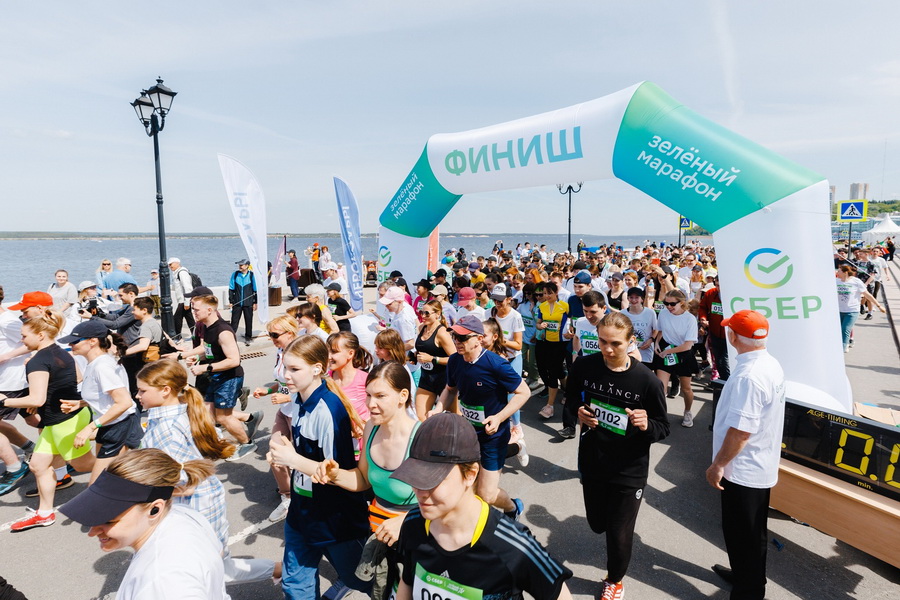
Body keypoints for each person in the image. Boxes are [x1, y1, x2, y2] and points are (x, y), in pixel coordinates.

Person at [391, 412, 574, 600]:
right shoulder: (413, 523)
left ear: (470, 474)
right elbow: (408, 581)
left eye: (433, 480)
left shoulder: (514, 546)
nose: (420, 491)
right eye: (415, 476)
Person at [136, 360, 278, 585]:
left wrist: (140, 489)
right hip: (203, 501)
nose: (137, 396)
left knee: (205, 573)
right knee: (216, 569)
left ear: (165, 390)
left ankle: (288, 572)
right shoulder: (183, 412)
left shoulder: (166, 428)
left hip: (193, 508)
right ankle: (286, 571)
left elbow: (182, 481)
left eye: (142, 391)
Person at [569, 312, 669, 599]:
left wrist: (646, 424)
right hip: (594, 460)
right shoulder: (584, 366)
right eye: (603, 342)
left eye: (616, 343)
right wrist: (578, 412)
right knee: (597, 523)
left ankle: (614, 580)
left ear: (631, 341)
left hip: (629, 469)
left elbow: (663, 427)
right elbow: (572, 397)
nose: (608, 349)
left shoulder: (647, 381)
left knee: (618, 530)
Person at [266, 336, 371, 600]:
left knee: (365, 581)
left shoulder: (328, 410)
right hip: (302, 511)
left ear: (316, 369)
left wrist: (292, 459)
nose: (286, 375)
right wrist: (280, 449)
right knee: (294, 585)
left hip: (333, 517)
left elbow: (334, 474)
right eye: (285, 367)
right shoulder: (298, 398)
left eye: (294, 369)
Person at [59, 449, 230, 599]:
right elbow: (218, 553)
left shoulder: (162, 581)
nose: (92, 532)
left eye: (109, 520)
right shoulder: (185, 514)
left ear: (155, 509)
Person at [315, 362, 421, 600]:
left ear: (403, 396)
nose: (370, 403)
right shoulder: (371, 427)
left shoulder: (422, 437)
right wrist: (334, 474)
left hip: (415, 539)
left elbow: (448, 501)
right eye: (368, 395)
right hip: (378, 535)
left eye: (380, 396)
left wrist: (405, 521)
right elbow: (363, 480)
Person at [706, 310, 785, 600]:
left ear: (733, 336)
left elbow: (741, 432)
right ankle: (744, 576)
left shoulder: (749, 376)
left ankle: (749, 591)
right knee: (749, 533)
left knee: (744, 535)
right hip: (757, 463)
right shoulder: (769, 363)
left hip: (743, 469)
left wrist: (718, 465)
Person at [0, 309, 96, 532]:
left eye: (24, 336)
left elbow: (37, 398)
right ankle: (44, 513)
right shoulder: (61, 352)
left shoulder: (37, 361)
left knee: (86, 465)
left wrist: (4, 401)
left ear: (40, 335)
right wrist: (48, 395)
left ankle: (132, 470)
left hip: (65, 421)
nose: (22, 340)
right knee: (37, 465)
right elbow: (77, 378)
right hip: (59, 419)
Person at [432, 315, 530, 519]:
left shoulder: (496, 364)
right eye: (454, 337)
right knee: (465, 485)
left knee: (487, 494)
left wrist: (499, 417)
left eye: (462, 338)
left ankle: (513, 507)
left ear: (478, 339)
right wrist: (438, 408)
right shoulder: (455, 361)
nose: (457, 341)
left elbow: (524, 392)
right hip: (467, 433)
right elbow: (450, 389)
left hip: (492, 435)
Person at [179, 291, 262, 461]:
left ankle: (247, 443)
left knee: (224, 417)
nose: (193, 312)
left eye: (196, 309)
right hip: (215, 377)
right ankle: (210, 445)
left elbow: (234, 360)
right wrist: (196, 358)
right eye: (193, 309)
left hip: (229, 378)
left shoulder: (223, 331)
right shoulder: (207, 327)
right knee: (207, 413)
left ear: (209, 310)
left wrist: (205, 367)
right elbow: (210, 351)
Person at [59, 321, 142, 483]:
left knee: (98, 484)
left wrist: (90, 427)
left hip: (120, 425)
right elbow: (105, 396)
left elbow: (124, 402)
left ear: (92, 341)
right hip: (111, 424)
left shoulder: (102, 366)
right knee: (115, 480)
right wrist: (81, 403)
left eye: (75, 341)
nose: (70, 345)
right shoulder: (96, 363)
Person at [254, 315, 302, 522]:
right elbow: (281, 382)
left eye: (275, 335)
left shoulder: (301, 353)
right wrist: (267, 390)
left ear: (290, 333)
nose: (271, 338)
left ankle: (308, 496)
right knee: (274, 454)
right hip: (284, 411)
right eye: (269, 334)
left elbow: (316, 384)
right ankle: (288, 497)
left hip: (300, 412)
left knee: (302, 457)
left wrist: (289, 397)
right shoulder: (281, 351)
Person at [652, 290, 700, 427]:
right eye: (666, 303)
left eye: (672, 304)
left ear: (682, 303)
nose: (668, 306)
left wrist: (668, 352)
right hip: (666, 350)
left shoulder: (690, 319)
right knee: (661, 388)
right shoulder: (663, 313)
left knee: (686, 388)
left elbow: (687, 345)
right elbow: (660, 330)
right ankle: (660, 416)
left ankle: (688, 411)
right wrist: (657, 343)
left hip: (683, 353)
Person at [413, 300, 455, 420]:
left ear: (437, 314)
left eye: (427, 313)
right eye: (421, 312)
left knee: (453, 419)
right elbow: (425, 349)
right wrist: (415, 356)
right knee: (420, 418)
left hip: (445, 381)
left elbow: (455, 359)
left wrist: (433, 359)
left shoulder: (442, 333)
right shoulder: (422, 328)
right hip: (426, 379)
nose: (423, 316)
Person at [534, 281, 570, 420]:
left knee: (553, 371)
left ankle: (550, 406)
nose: (547, 296)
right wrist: (541, 326)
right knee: (557, 370)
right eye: (544, 293)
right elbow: (538, 323)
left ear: (556, 293)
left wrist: (570, 331)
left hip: (561, 343)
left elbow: (571, 322)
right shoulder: (542, 307)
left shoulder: (565, 306)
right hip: (547, 342)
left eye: (549, 293)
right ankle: (566, 390)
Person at [835, 264, 884, 352]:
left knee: (845, 329)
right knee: (839, 329)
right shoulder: (836, 281)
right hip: (839, 310)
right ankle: (845, 342)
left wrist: (879, 306)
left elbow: (867, 295)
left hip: (852, 311)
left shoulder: (856, 282)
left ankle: (844, 347)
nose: (837, 272)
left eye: (839, 271)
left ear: (845, 272)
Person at [328, 330, 374, 422]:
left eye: (334, 352)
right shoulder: (324, 380)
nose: (329, 357)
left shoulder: (366, 380)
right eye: (327, 351)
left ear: (350, 353)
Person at [229, 259, 258, 344]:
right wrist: (231, 301)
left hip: (248, 303)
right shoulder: (235, 275)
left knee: (248, 321)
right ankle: (231, 337)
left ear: (247, 266)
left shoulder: (251, 275)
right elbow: (231, 289)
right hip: (237, 303)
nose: (240, 266)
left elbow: (255, 290)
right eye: (239, 265)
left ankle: (248, 337)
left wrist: (255, 302)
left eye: (242, 265)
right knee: (234, 321)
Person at [168, 257, 196, 340]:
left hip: (184, 301)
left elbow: (188, 288)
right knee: (189, 319)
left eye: (171, 264)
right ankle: (196, 335)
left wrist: (187, 302)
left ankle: (177, 336)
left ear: (177, 263)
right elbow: (177, 287)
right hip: (182, 300)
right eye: (169, 265)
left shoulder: (182, 272)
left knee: (176, 318)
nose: (170, 266)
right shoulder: (177, 273)